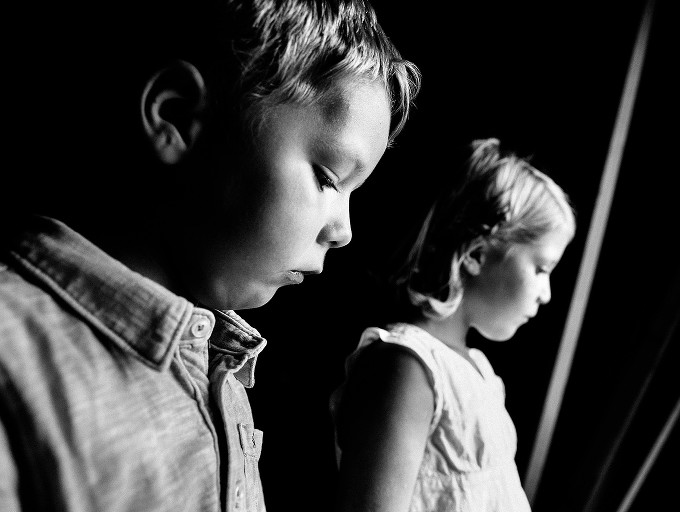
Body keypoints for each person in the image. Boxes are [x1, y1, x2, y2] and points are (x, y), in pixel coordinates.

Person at [0, 1, 419, 511]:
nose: (343, 231)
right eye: (328, 179)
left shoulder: (223, 371)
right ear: (177, 116)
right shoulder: (15, 353)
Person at [330, 138, 576, 512]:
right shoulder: (408, 367)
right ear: (477, 253)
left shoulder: (478, 370)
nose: (546, 294)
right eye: (541, 269)